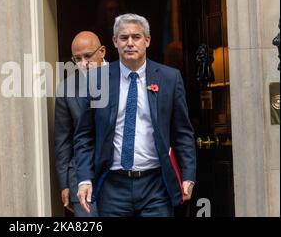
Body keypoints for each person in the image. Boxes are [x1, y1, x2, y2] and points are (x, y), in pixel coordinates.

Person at [75, 14, 196, 217]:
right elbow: (84, 136)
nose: (130, 43)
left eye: (136, 37)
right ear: (115, 42)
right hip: (112, 186)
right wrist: (84, 179)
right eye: (123, 38)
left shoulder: (169, 78)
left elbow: (182, 132)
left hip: (156, 186)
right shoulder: (97, 80)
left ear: (147, 41)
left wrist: (188, 175)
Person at [54, 31, 106, 217]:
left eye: (88, 56)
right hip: (79, 177)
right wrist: (65, 184)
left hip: (116, 177)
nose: (84, 63)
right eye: (78, 58)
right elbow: (63, 139)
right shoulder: (66, 88)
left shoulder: (121, 78)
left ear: (102, 51)